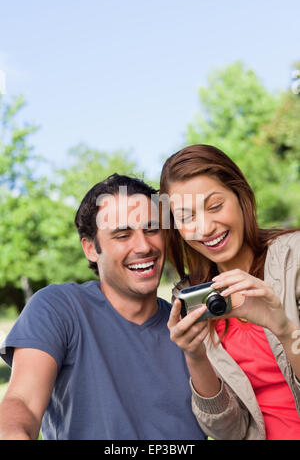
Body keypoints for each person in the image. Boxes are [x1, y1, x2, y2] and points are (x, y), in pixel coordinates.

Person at [0, 173, 206, 441]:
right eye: (122, 235)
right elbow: (22, 402)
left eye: (152, 229)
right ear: (90, 249)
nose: (144, 246)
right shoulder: (59, 308)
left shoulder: (190, 326)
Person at [159, 144, 300, 440]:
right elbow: (228, 432)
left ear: (241, 196)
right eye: (186, 217)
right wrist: (195, 357)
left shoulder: (293, 259)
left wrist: (284, 330)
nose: (206, 227)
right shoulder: (191, 300)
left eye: (215, 206)